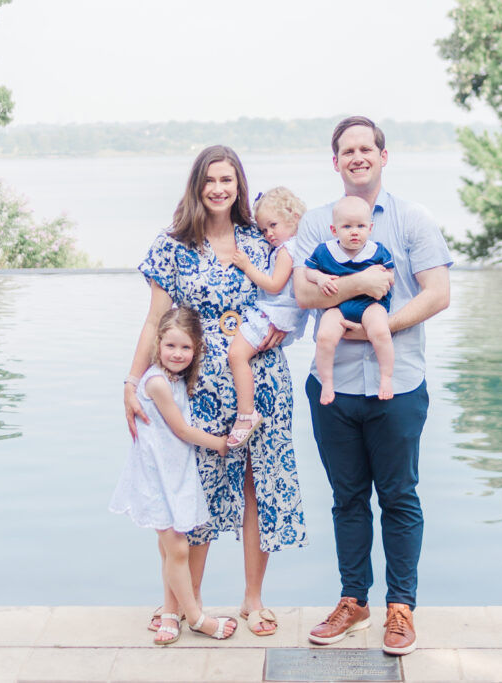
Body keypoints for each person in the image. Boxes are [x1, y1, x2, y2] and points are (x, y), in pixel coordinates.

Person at [125, 146, 307, 639]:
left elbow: (296, 292)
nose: (219, 188)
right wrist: (131, 382)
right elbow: (155, 321)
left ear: (239, 185)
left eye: (227, 179)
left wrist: (287, 330)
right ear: (197, 185)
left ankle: (253, 599)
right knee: (194, 489)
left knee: (257, 487)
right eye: (210, 179)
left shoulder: (260, 237)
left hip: (261, 380)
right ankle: (188, 602)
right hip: (199, 386)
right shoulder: (172, 245)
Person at [291, 116, 452, 656]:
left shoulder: (412, 219)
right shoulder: (316, 224)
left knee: (400, 496)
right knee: (347, 498)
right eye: (347, 150)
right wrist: (360, 284)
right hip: (332, 387)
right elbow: (302, 295)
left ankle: (400, 607)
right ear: (335, 162)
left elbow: (438, 293)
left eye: (367, 148)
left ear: (384, 156)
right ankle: (353, 601)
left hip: (397, 383)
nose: (357, 156)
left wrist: (382, 328)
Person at [109, 307, 238, 644]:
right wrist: (221, 444)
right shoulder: (157, 383)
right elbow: (181, 430)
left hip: (172, 475)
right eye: (170, 346)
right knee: (179, 548)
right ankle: (195, 617)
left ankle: (170, 612)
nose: (177, 354)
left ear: (196, 349)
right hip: (155, 479)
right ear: (158, 344)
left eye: (185, 347)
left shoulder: (176, 378)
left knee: (169, 548)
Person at [226, 187, 309, 448]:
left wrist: (246, 266)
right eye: (263, 230)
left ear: (293, 217)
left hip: (273, 313)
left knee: (236, 355)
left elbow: (274, 285)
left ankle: (246, 414)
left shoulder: (287, 250)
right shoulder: (299, 246)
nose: (268, 234)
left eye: (273, 225)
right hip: (281, 314)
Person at [304, 195, 395, 406]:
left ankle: (386, 377)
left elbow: (390, 276)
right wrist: (320, 278)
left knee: (381, 331)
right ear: (334, 230)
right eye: (347, 226)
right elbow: (309, 271)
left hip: (370, 304)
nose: (354, 231)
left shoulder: (377, 251)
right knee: (324, 337)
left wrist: (384, 277)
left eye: (360, 226)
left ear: (370, 228)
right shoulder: (325, 251)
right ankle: (327, 382)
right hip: (338, 305)